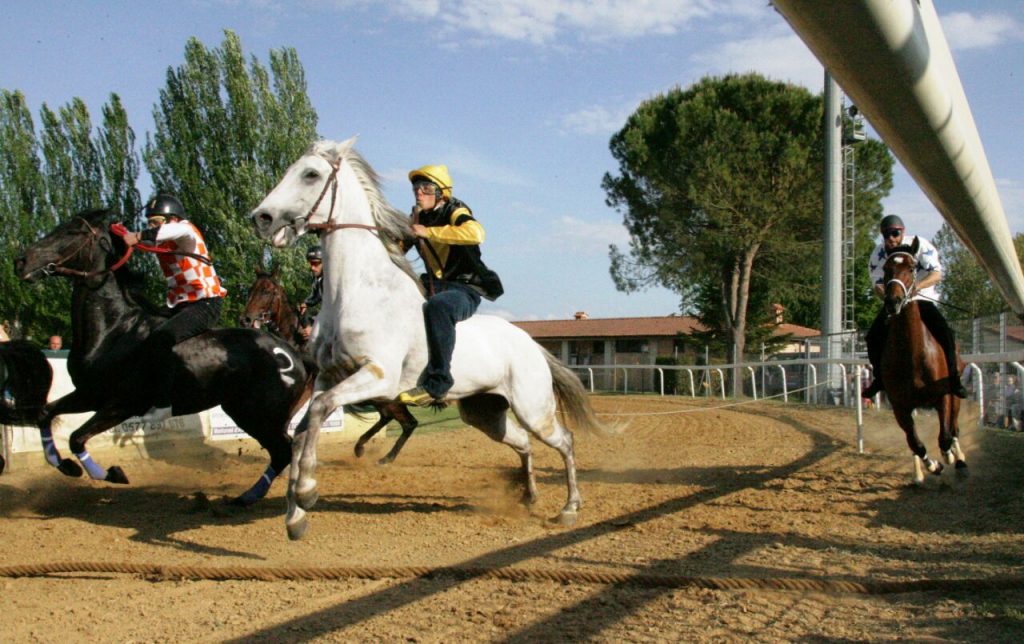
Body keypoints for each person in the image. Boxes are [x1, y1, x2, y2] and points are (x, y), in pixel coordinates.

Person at [398, 164, 502, 407]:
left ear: (441, 193)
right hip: (434, 284)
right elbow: (398, 250)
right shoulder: (417, 218)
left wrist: (429, 232)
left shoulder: (456, 209)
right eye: (416, 188)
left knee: (439, 307)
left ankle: (438, 383)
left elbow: (476, 233)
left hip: (465, 289)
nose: (418, 193)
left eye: (425, 188)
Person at [122, 193, 227, 423]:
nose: (150, 226)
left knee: (162, 338)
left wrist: (137, 235)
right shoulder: (164, 238)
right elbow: (144, 241)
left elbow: (163, 233)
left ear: (172, 219)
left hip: (205, 303)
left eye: (155, 221)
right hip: (180, 305)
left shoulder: (186, 229)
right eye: (148, 222)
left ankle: (163, 404)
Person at [862, 214, 966, 399]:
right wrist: (889, 297)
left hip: (923, 300)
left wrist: (916, 287)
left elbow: (936, 274)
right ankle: (879, 379)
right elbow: (877, 285)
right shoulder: (878, 255)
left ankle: (954, 380)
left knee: (947, 334)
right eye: (887, 235)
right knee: (872, 337)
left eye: (895, 233)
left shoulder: (921, 246)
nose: (891, 239)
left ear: (902, 232)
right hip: (894, 302)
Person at [298, 245, 323, 342]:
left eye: (315, 263)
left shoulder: (331, 281)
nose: (312, 267)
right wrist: (306, 303)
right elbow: (315, 296)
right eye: (310, 263)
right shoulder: (317, 279)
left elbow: (332, 311)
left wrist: (314, 330)